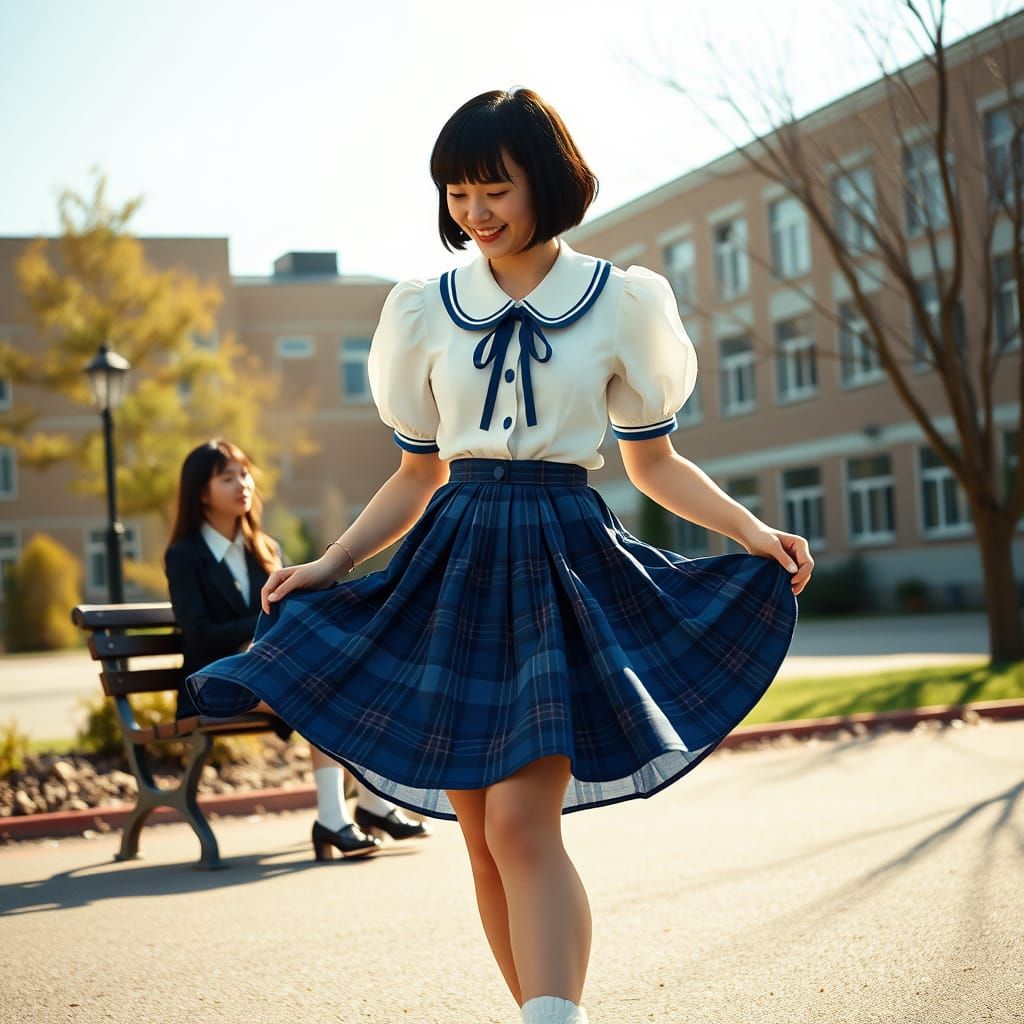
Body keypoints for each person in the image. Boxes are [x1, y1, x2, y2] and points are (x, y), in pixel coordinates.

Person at [187, 90, 813, 1023]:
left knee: (522, 824)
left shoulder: (620, 301)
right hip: (457, 565)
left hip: (561, 559)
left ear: (545, 182)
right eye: (458, 193)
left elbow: (652, 463)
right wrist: (333, 564)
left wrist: (750, 532)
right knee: (482, 839)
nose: (475, 212)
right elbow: (416, 475)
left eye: (495, 189)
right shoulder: (426, 310)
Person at [164, 439, 432, 860]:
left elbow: (292, 610)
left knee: (338, 686)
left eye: (245, 474)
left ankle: (363, 807)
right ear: (201, 492)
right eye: (227, 478)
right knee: (318, 692)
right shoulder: (185, 555)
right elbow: (198, 633)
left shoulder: (265, 548)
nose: (242, 484)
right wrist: (256, 631)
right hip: (214, 680)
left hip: (269, 673)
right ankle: (341, 815)